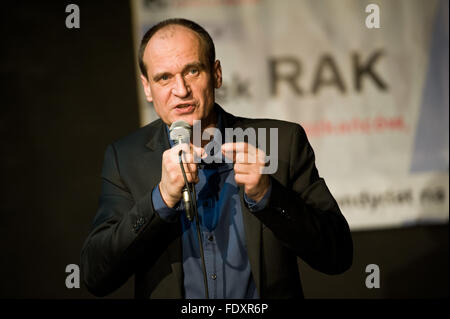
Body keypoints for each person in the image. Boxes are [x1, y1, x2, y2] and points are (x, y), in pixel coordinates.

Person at [80, 18, 353, 299]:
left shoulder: (281, 143)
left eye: (192, 71)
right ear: (147, 87)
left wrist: (268, 195)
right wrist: (159, 200)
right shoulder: (126, 158)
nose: (181, 90)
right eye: (164, 78)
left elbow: (338, 255)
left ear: (216, 73)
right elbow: (96, 275)